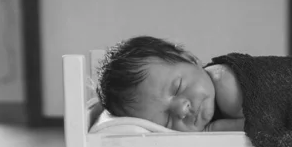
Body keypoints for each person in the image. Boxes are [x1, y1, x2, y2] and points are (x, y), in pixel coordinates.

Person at [96, 35, 245, 132]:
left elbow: (265, 127)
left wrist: (215, 129)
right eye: (167, 120)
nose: (181, 110)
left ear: (191, 59)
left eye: (178, 87)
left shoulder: (227, 84)